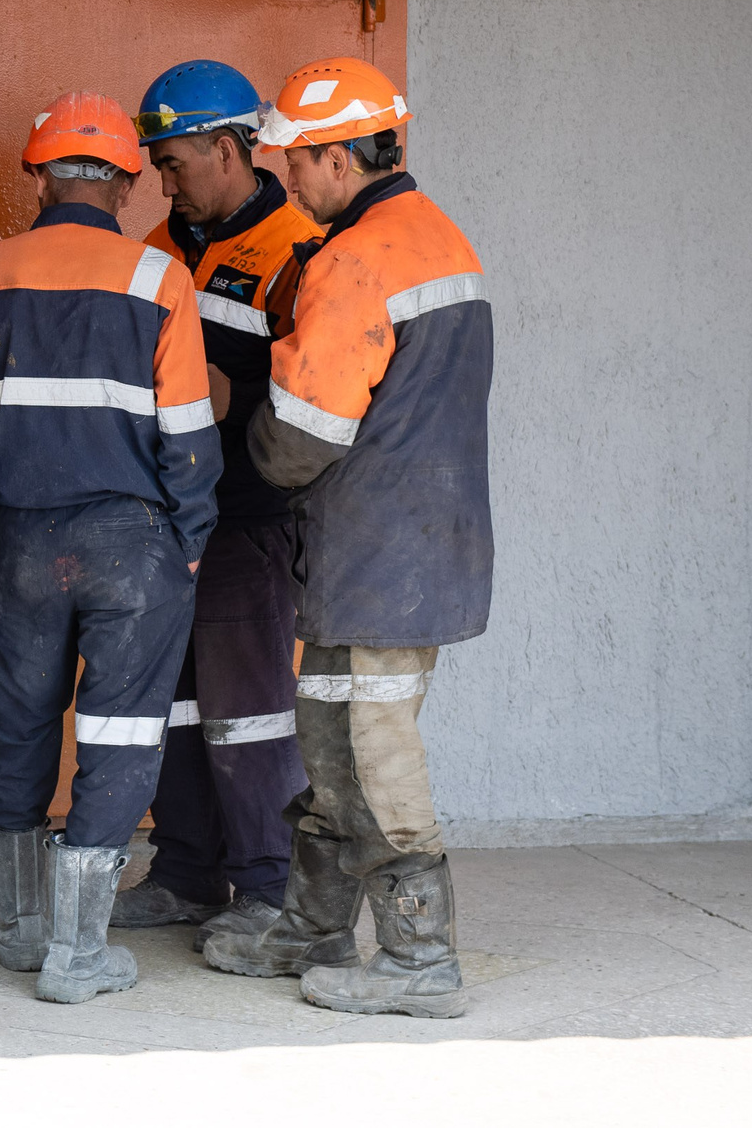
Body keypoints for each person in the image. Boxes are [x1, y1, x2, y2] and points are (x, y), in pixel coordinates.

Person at [201, 58, 492, 1019]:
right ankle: (313, 927)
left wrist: (231, 434)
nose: (289, 178)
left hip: (376, 542)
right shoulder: (436, 237)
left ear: (338, 155)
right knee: (331, 733)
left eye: (298, 160)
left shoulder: (352, 260)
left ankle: (419, 958)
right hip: (401, 538)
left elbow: (301, 440)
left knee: (373, 746)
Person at [0, 92, 220, 1005]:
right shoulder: (157, 279)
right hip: (134, 540)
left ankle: (17, 924)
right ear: (129, 183)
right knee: (120, 733)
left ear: (39, 176)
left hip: (18, 534)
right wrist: (188, 541)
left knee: (14, 722)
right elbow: (188, 432)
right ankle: (78, 954)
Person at [108, 60, 315, 947]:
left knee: (251, 709)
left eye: (177, 162)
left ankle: (269, 889)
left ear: (229, 149)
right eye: (156, 165)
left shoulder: (297, 249)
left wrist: (231, 394)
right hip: (170, 517)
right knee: (180, 705)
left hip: (250, 517)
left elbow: (315, 395)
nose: (165, 181)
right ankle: (190, 871)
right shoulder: (162, 245)